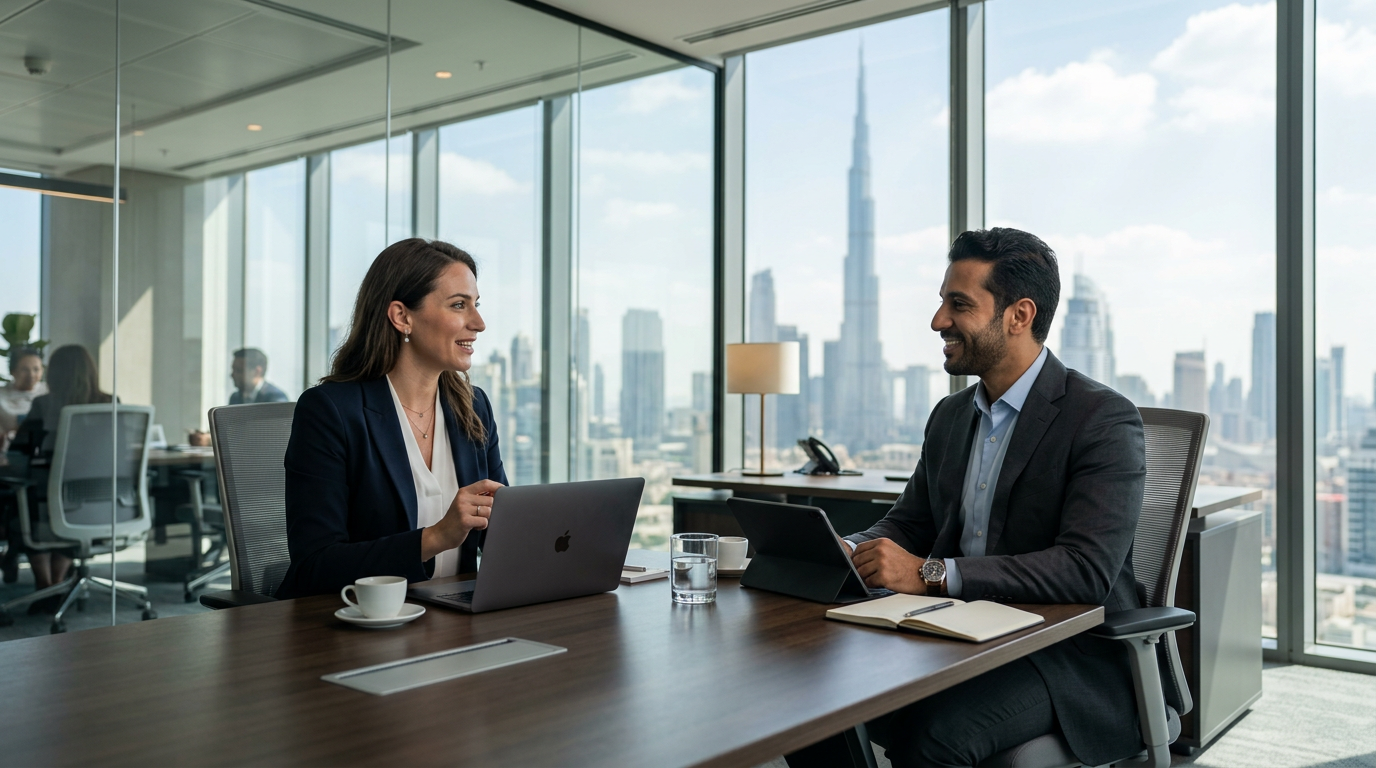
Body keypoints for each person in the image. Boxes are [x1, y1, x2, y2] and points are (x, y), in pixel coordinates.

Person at [791, 229, 1147, 768]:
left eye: (959, 305)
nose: (938, 321)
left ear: (1018, 315)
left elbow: (1084, 570)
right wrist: (849, 546)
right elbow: (909, 522)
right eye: (941, 301)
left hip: (1061, 651)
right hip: (955, 629)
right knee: (809, 698)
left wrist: (932, 574)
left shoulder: (1101, 419)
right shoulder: (951, 416)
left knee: (933, 738)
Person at [276, 239, 506, 599]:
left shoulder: (474, 408)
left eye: (476, 305)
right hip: (353, 629)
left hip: (453, 624)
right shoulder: (330, 412)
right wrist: (435, 537)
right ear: (402, 316)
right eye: (459, 305)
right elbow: (314, 566)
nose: (478, 323)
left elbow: (500, 531)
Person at [8, 345, 113, 612]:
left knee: (25, 504)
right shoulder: (111, 403)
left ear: (53, 374)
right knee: (59, 505)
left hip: (54, 507)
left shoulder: (45, 404)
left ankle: (46, 587)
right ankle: (57, 585)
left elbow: (18, 453)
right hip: (104, 507)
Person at [0, 345, 47, 449]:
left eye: (36, 369)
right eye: (25, 370)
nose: (31, 375)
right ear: (13, 371)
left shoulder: (48, 391)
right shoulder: (1, 395)